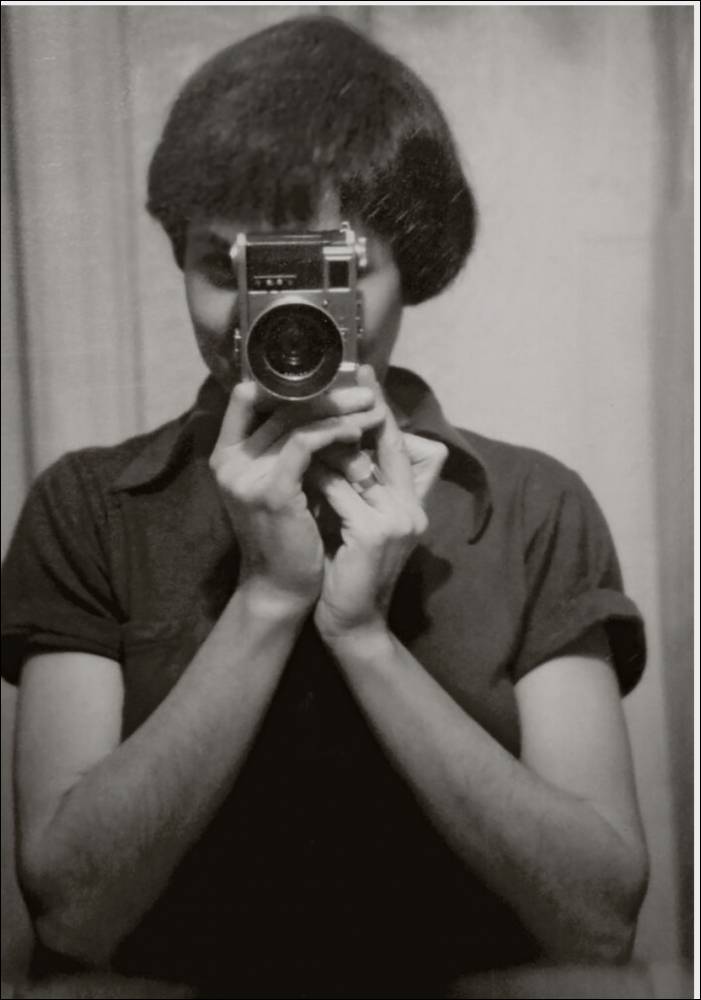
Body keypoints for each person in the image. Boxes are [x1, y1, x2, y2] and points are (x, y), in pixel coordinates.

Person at [1, 15, 649, 1000]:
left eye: (328, 271)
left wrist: (364, 638)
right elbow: (72, 911)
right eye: (226, 268)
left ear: (408, 269)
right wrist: (266, 600)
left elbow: (596, 922)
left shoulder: (529, 508)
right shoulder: (90, 508)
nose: (277, 315)